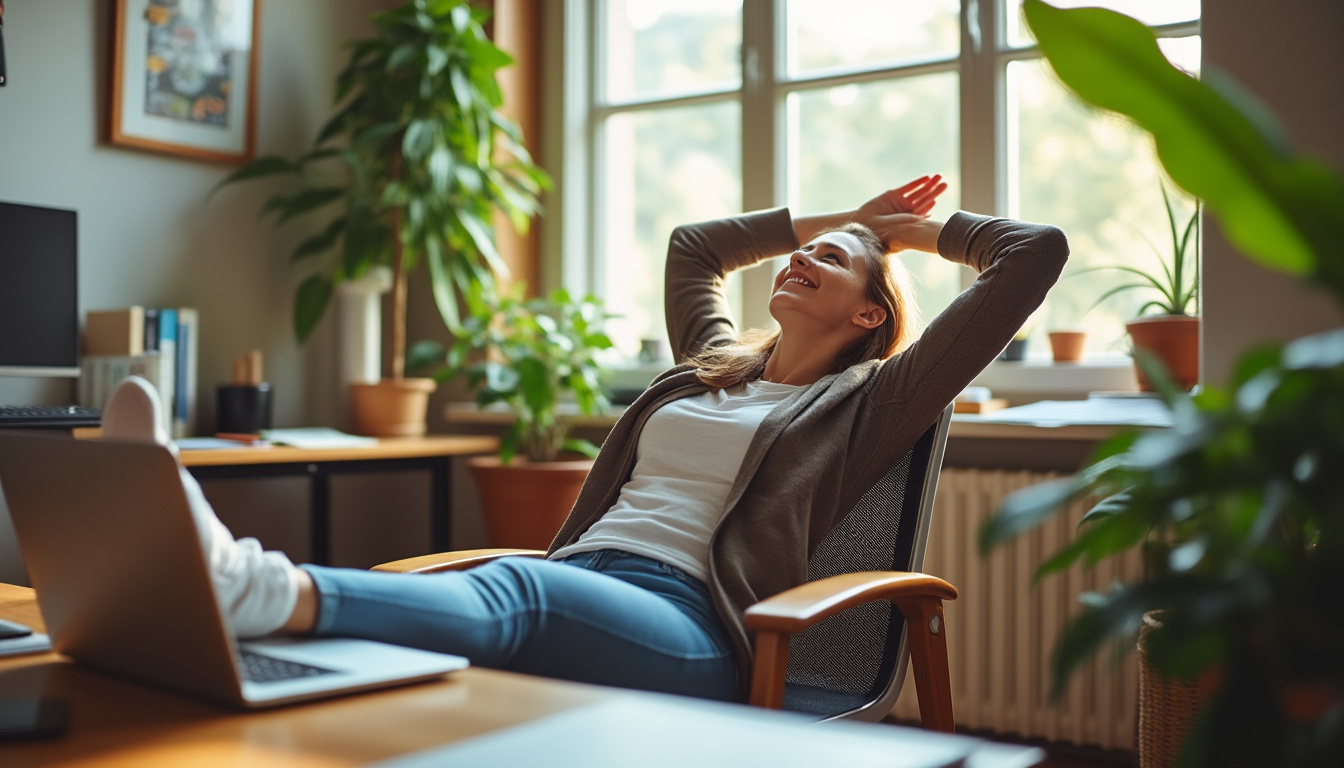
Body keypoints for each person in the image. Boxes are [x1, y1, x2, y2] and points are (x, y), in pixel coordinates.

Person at [101, 174, 1067, 703]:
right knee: (456, 621)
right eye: (804, 249)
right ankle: (188, 608)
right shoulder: (709, 367)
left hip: (695, 627)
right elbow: (696, 246)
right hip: (585, 579)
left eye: (837, 260)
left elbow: (1035, 253)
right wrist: (848, 218)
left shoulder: (872, 404)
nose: (805, 256)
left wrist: (907, 234)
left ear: (869, 314)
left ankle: (248, 586)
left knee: (514, 589)